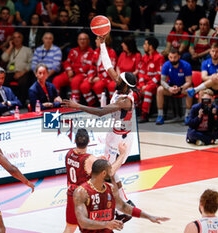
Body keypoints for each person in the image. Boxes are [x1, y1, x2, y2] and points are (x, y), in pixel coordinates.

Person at [62, 34, 140, 217]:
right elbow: (108, 67)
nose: (116, 77)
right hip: (113, 134)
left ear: (124, 85)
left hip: (122, 141)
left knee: (107, 173)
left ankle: (123, 207)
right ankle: (125, 205)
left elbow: (100, 111)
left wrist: (77, 106)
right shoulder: (123, 86)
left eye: (119, 78)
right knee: (112, 174)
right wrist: (103, 44)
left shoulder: (125, 101)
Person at [73, 159, 170, 232]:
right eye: (110, 170)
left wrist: (149, 216)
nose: (112, 173)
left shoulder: (110, 188)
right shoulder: (82, 192)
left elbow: (123, 206)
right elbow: (82, 222)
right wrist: (107, 224)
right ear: (103, 173)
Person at [64, 128, 130, 233]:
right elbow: (111, 172)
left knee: (70, 227)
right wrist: (122, 154)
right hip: (84, 198)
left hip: (71, 194)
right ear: (89, 142)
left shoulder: (69, 153)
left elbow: (80, 165)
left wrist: (97, 160)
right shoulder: (90, 159)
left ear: (75, 141)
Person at [156, 49, 193, 125]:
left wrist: (181, 88)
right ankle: (160, 115)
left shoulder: (186, 65)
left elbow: (188, 82)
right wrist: (169, 88)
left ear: (179, 57)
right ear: (168, 57)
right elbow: (162, 81)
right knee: (160, 89)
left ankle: (187, 115)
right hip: (171, 88)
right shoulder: (166, 65)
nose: (173, 59)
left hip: (183, 88)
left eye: (175, 57)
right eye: (171, 57)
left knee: (190, 90)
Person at [52, 32, 93, 102]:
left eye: (84, 39)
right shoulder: (73, 50)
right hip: (69, 73)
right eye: (80, 39)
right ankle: (56, 101)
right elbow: (67, 63)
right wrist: (69, 71)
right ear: (77, 41)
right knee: (56, 80)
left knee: (75, 81)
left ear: (88, 41)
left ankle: (74, 104)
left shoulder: (91, 52)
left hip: (81, 74)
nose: (82, 41)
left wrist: (74, 72)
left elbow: (88, 67)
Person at [79, 35, 117, 106]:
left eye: (97, 39)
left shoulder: (111, 52)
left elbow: (110, 69)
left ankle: (103, 105)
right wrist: (90, 77)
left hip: (107, 77)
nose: (95, 41)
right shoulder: (96, 52)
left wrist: (100, 77)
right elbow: (92, 67)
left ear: (102, 41)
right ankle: (93, 104)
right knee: (83, 86)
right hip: (96, 77)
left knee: (97, 86)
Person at [137, 36, 165, 123]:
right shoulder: (144, 57)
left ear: (151, 46)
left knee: (148, 90)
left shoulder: (160, 58)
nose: (143, 46)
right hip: (144, 84)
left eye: (145, 44)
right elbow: (141, 72)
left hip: (154, 85)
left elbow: (159, 75)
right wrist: (142, 84)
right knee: (134, 90)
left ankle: (144, 114)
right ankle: (133, 112)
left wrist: (147, 85)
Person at [2, 31, 33, 104]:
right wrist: (10, 47)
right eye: (14, 38)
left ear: (22, 39)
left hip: (23, 72)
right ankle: (6, 102)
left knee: (23, 82)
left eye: (18, 37)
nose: (16, 39)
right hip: (10, 72)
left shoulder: (27, 50)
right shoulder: (11, 49)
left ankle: (21, 102)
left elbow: (31, 63)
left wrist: (22, 72)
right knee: (3, 80)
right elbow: (4, 58)